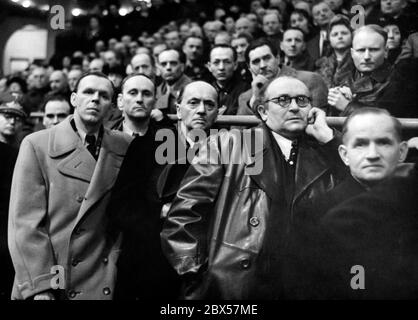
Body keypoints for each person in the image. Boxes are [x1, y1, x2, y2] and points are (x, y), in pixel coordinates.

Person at [161, 76, 345, 299]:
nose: (295, 107)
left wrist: (329, 138)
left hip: (299, 286)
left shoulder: (322, 153)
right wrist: (197, 275)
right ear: (263, 111)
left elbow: (360, 186)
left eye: (302, 100)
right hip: (233, 285)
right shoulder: (228, 143)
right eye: (284, 100)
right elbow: (185, 214)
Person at [8, 72, 131, 300]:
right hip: (56, 273)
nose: (95, 99)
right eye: (88, 92)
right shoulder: (38, 144)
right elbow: (26, 223)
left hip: (103, 274)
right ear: (74, 99)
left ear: (112, 106)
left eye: (104, 95)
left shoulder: (124, 145)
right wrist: (43, 287)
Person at [237, 38, 328, 117]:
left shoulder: (310, 80)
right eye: (256, 61)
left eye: (267, 58)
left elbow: (319, 121)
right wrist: (256, 98)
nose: (262, 65)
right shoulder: (246, 98)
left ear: (278, 58)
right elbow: (238, 132)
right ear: (249, 68)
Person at [327, 25, 392, 115]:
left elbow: (387, 120)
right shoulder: (341, 77)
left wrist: (347, 106)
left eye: (373, 50)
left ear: (386, 51)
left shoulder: (395, 80)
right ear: (352, 53)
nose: (366, 57)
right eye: (361, 50)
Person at [207, 45, 250, 115]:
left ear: (235, 65)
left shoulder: (246, 91)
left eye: (227, 62)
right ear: (209, 66)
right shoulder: (205, 91)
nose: (221, 67)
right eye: (216, 62)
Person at [316, 15, 355, 90]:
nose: (340, 37)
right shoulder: (322, 64)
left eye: (344, 33)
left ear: (351, 36)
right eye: (335, 34)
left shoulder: (359, 60)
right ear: (329, 39)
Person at [156, 49, 192, 114]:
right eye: (164, 64)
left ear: (182, 67)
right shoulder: (157, 91)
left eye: (173, 63)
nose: (168, 67)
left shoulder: (192, 88)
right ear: (158, 68)